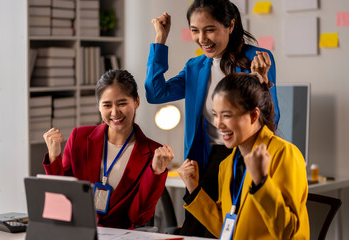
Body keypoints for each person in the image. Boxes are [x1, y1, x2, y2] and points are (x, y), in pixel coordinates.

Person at [145, 0, 280, 237]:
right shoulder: (195, 67)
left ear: (230, 25)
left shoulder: (256, 58)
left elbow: (270, 117)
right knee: (196, 230)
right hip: (206, 160)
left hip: (244, 157)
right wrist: (160, 39)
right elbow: (155, 93)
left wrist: (262, 80)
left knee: (238, 230)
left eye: (209, 29)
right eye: (195, 30)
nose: (202, 38)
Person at [177, 72, 309, 239]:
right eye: (215, 115)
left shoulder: (284, 154)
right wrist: (193, 189)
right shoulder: (227, 164)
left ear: (254, 115)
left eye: (226, 115)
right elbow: (225, 227)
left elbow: (288, 232)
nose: (218, 124)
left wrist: (261, 182)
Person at [42, 69, 174, 229]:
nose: (114, 112)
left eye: (122, 103)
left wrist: (156, 173)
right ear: (98, 106)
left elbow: (139, 216)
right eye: (107, 105)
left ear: (136, 102)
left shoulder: (153, 152)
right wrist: (54, 157)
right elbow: (60, 200)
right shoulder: (79, 138)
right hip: (79, 233)